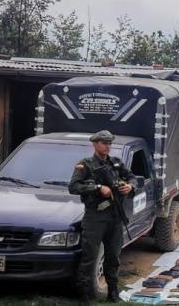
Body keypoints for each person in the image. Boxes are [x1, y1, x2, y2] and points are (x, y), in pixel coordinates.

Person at [69, 130, 137, 305]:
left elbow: (132, 177)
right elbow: (74, 187)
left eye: (109, 143)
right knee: (89, 256)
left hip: (115, 216)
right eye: (103, 143)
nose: (107, 146)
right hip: (95, 218)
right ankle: (84, 296)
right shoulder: (85, 165)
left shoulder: (116, 163)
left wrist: (129, 186)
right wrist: (98, 187)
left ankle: (113, 291)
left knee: (113, 256)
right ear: (95, 144)